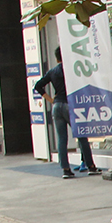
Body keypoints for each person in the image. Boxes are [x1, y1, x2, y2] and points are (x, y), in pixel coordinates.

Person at [33, 48, 98, 178]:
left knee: (62, 139)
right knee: (81, 135)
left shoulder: (52, 72)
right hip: (71, 105)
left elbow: (38, 86)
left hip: (57, 105)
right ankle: (91, 166)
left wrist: (51, 100)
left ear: (57, 59)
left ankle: (65, 169)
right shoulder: (72, 71)